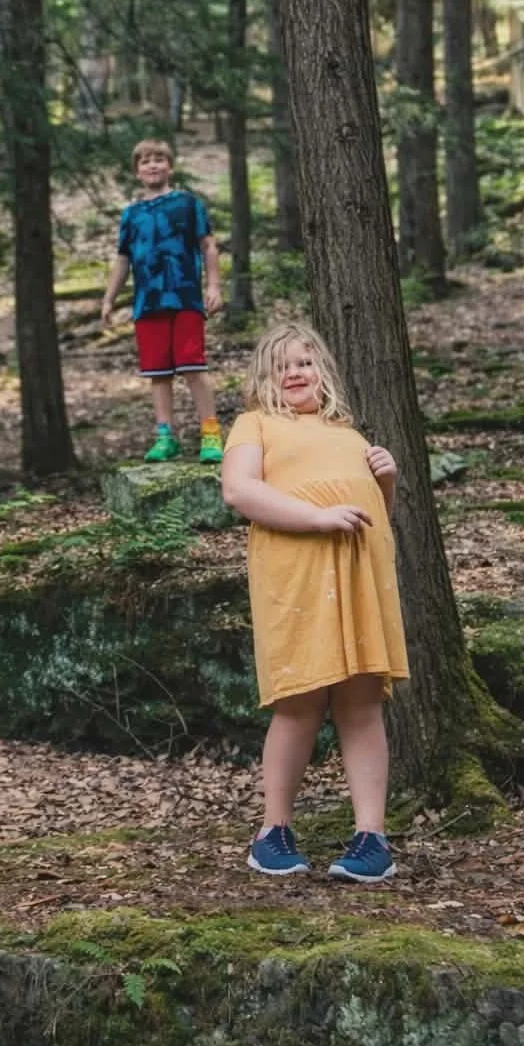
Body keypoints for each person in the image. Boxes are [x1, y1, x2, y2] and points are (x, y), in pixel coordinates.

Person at [220, 321, 409, 884]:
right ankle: (272, 832)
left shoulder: (347, 433)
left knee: (361, 701)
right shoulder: (254, 424)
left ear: (323, 372)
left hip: (358, 579)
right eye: (282, 366)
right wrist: (316, 517)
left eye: (305, 362)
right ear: (264, 379)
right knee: (299, 700)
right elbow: (240, 491)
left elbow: (376, 516)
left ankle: (371, 837)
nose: (295, 372)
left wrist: (388, 480)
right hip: (296, 579)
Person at [101, 138, 223, 464]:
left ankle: (210, 434)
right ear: (137, 171)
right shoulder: (132, 214)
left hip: (184, 297)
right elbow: (123, 259)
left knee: (193, 366)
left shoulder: (187, 204)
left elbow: (208, 246)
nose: (152, 165)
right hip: (147, 302)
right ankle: (165, 436)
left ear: (170, 166)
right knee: (158, 373)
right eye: (145, 161)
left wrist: (213, 286)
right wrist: (109, 299)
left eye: (159, 159)